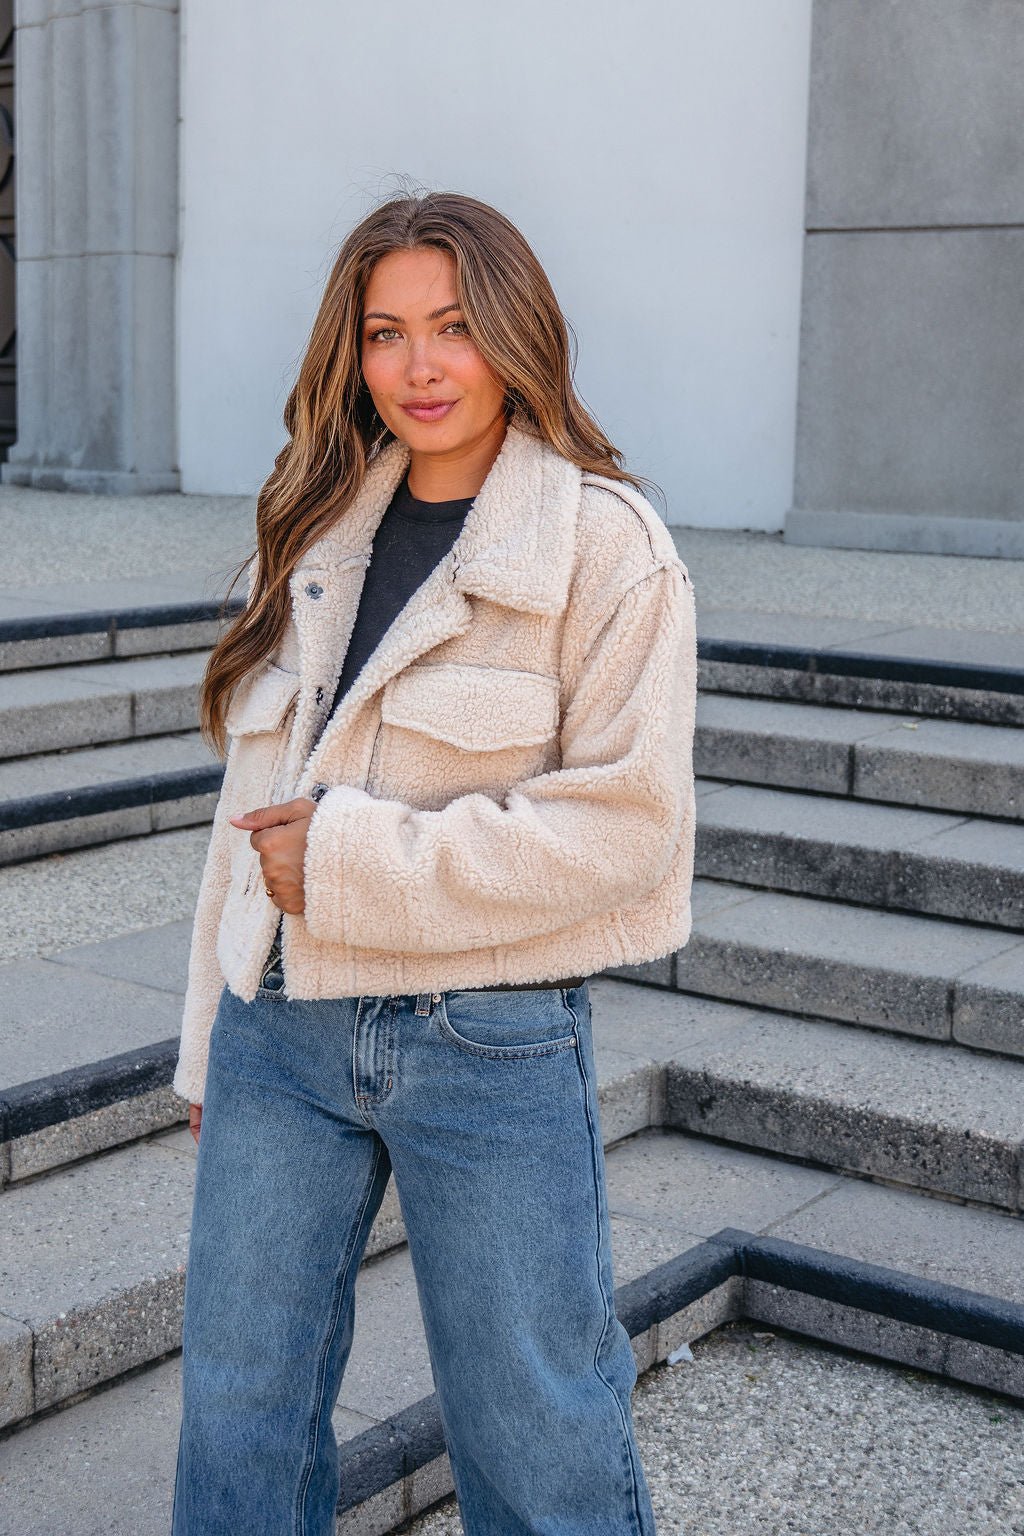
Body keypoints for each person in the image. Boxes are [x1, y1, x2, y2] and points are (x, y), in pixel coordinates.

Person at [170, 189, 697, 1536]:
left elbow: (632, 828)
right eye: (386, 332)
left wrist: (355, 860)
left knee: (537, 1434)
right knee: (238, 1416)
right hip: (276, 1035)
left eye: (454, 328)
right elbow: (246, 815)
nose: (418, 368)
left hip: (491, 1041)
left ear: (514, 334)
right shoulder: (312, 525)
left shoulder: (605, 547)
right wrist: (203, 1046)